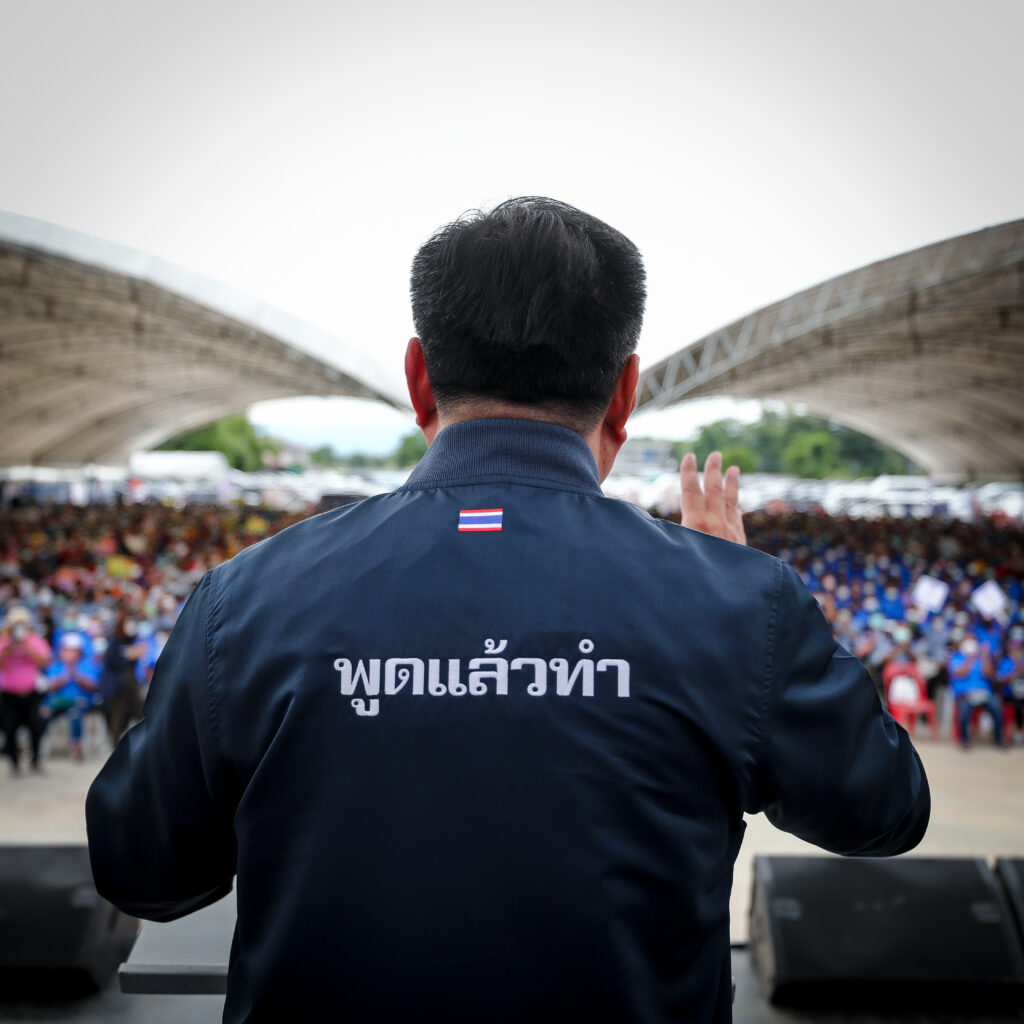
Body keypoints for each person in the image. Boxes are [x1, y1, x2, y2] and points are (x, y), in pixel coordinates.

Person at [87, 197, 930, 1023]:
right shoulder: (739, 601)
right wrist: (738, 602)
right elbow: (882, 809)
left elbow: (141, 868)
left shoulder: (245, 600)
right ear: (624, 393)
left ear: (419, 378)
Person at [0, 605, 53, 774]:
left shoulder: (35, 640)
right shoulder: (4, 641)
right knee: (9, 729)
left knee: (35, 728)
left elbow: (46, 661)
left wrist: (28, 648)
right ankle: (14, 764)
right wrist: (9, 649)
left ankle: (35, 761)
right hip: (9, 693)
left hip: (31, 693)